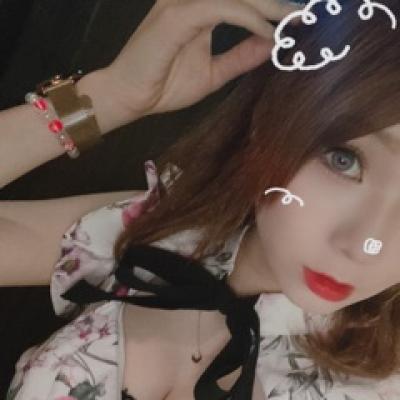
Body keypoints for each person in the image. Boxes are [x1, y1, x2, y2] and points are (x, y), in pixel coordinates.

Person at [1, 0, 400, 399]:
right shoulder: (162, 230)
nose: (363, 246)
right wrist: (111, 97)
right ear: (268, 121)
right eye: (343, 159)